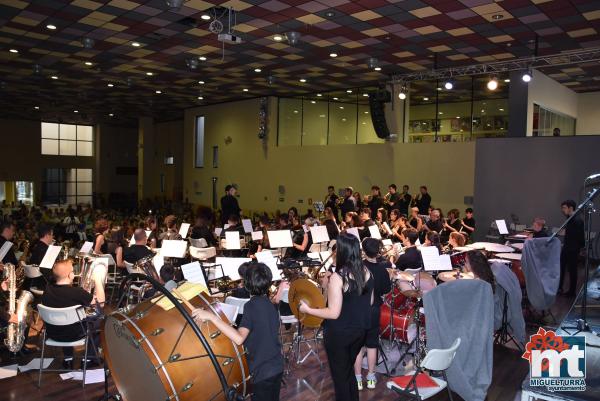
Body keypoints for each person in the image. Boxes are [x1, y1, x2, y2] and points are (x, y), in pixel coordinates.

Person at [193, 263, 284, 401]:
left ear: (246, 284)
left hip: (262, 371)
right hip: (277, 366)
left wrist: (211, 317)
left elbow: (239, 338)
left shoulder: (250, 306)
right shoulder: (270, 304)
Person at [299, 233, 373, 401]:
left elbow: (333, 312)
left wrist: (308, 309)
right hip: (360, 332)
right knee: (348, 372)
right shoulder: (366, 271)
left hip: (340, 334)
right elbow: (370, 301)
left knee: (340, 379)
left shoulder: (339, 277)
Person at [41, 259, 105, 369]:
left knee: (64, 321)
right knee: (102, 320)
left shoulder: (47, 290)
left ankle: (68, 359)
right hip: (74, 334)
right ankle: (89, 359)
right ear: (70, 275)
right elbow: (101, 303)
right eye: (73, 271)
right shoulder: (77, 292)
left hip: (53, 333)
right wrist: (98, 281)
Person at [354, 238, 391, 390]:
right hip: (374, 309)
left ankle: (357, 379)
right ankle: (370, 377)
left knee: (357, 346)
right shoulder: (383, 268)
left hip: (358, 310)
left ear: (364, 250)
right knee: (371, 345)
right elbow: (385, 290)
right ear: (378, 252)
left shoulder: (358, 267)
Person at [559, 200, 585, 297]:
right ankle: (559, 287)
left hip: (572, 249)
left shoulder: (577, 220)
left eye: (564, 208)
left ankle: (572, 292)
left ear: (571, 208)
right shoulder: (570, 218)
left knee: (572, 270)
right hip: (567, 248)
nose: (562, 210)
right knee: (562, 267)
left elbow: (579, 237)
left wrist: (566, 233)